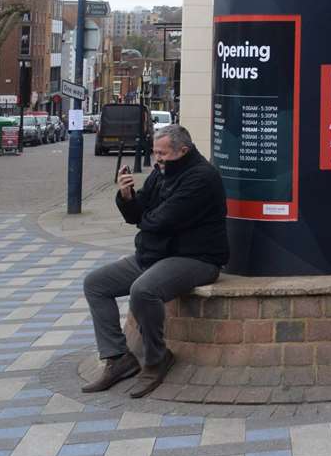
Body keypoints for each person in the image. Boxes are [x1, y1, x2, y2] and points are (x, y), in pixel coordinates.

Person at [82, 125, 227, 397]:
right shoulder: (162, 173)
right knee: (95, 283)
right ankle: (117, 359)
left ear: (183, 151)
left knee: (143, 290)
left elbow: (162, 220)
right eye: (154, 152)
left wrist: (144, 219)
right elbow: (141, 214)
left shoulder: (202, 178)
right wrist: (127, 197)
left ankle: (156, 358)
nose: (157, 158)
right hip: (155, 254)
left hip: (195, 258)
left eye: (162, 153)